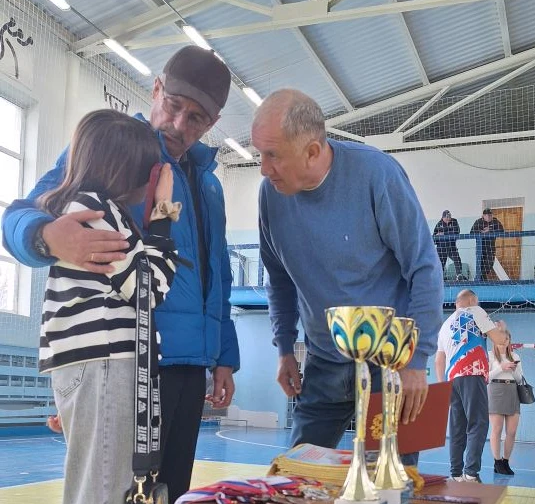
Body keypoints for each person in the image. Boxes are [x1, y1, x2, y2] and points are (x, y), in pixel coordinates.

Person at [1, 46, 240, 503]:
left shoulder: (209, 183)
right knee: (113, 489)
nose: (178, 125)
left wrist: (224, 355)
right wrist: (46, 235)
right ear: (156, 89)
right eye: (173, 106)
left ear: (213, 122)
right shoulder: (114, 148)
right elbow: (23, 212)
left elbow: (218, 273)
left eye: (196, 118)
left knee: (169, 492)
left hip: (191, 365)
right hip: (133, 362)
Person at [254, 89, 444, 464]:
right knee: (296, 477)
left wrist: (416, 361)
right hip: (322, 363)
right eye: (259, 153)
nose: (263, 168)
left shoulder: (378, 174)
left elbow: (424, 268)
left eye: (273, 155)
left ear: (312, 151)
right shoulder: (270, 195)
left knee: (392, 483)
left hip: (391, 365)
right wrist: (284, 348)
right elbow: (278, 278)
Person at [36, 109, 180, 503]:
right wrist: (164, 214)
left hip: (99, 363)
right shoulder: (96, 212)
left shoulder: (87, 210)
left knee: (106, 483)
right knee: (104, 488)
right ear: (125, 170)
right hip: (105, 362)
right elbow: (149, 288)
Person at [435, 289, 508, 483]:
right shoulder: (476, 311)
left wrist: (443, 386)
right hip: (472, 373)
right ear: (472, 300)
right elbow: (500, 341)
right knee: (478, 423)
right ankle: (471, 473)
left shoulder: (445, 324)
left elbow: (439, 359)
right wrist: (501, 329)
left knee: (457, 428)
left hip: (452, 379)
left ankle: (456, 474)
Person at [488, 326, 523, 476]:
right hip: (496, 391)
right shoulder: (490, 355)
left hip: (512, 391)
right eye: (501, 339)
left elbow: (520, 379)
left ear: (509, 341)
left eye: (506, 339)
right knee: (496, 429)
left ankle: (506, 461)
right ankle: (497, 462)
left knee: (512, 431)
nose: (503, 342)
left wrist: (513, 370)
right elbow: (486, 377)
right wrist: (501, 368)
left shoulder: (515, 356)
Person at [470, 208, 504, 281]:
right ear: (483, 216)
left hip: (490, 248)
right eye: (486, 215)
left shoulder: (495, 221)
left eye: (490, 215)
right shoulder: (478, 222)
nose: (488, 217)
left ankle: (480, 279)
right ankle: (482, 282)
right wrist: (481, 232)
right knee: (480, 266)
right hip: (480, 248)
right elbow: (472, 233)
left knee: (489, 265)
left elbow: (502, 231)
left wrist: (490, 229)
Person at [433, 210, 464, 280]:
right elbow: (434, 236)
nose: (448, 218)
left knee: (457, 260)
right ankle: (440, 278)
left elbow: (456, 232)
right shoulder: (439, 224)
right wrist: (438, 236)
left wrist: (444, 234)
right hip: (441, 248)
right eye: (446, 217)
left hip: (451, 246)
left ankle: (459, 275)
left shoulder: (454, 221)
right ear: (443, 217)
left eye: (449, 217)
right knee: (440, 264)